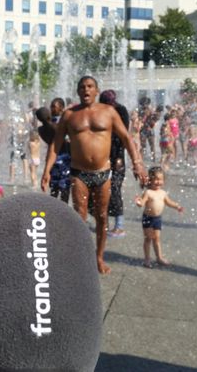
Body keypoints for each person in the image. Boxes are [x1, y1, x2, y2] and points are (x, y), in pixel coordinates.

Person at [41, 76, 147, 275]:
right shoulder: (69, 115)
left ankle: (98, 256)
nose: (86, 90)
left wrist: (137, 164)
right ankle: (81, 256)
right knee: (79, 216)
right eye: (82, 87)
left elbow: (126, 138)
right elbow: (55, 144)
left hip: (103, 173)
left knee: (101, 216)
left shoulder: (109, 112)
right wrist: (46, 170)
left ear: (97, 90)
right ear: (78, 91)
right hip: (79, 173)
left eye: (90, 86)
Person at [134, 167, 184, 268]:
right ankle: (147, 259)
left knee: (157, 239)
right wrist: (139, 202)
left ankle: (159, 257)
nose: (158, 182)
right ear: (150, 180)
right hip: (148, 218)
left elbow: (168, 202)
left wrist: (177, 206)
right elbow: (142, 203)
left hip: (157, 219)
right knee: (148, 238)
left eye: (160, 179)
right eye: (156, 179)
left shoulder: (163, 193)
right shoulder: (148, 192)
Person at [98, 90, 130, 238]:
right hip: (101, 155)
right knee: (100, 189)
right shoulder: (99, 110)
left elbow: (123, 135)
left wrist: (118, 156)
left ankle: (119, 226)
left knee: (115, 188)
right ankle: (103, 223)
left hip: (117, 157)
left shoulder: (121, 110)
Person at [36, 104, 71, 203]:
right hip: (64, 157)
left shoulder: (40, 130)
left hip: (52, 160)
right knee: (65, 188)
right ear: (49, 115)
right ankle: (64, 208)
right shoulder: (57, 127)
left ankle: (53, 207)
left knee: (54, 187)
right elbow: (61, 142)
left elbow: (50, 143)